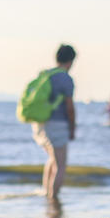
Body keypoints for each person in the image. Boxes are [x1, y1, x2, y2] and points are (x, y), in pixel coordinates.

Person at [31, 44, 76, 200]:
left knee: (52, 159)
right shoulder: (65, 78)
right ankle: (53, 199)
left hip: (39, 123)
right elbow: (69, 107)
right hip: (57, 125)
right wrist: (72, 128)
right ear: (71, 61)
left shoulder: (46, 75)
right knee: (61, 164)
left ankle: (46, 192)